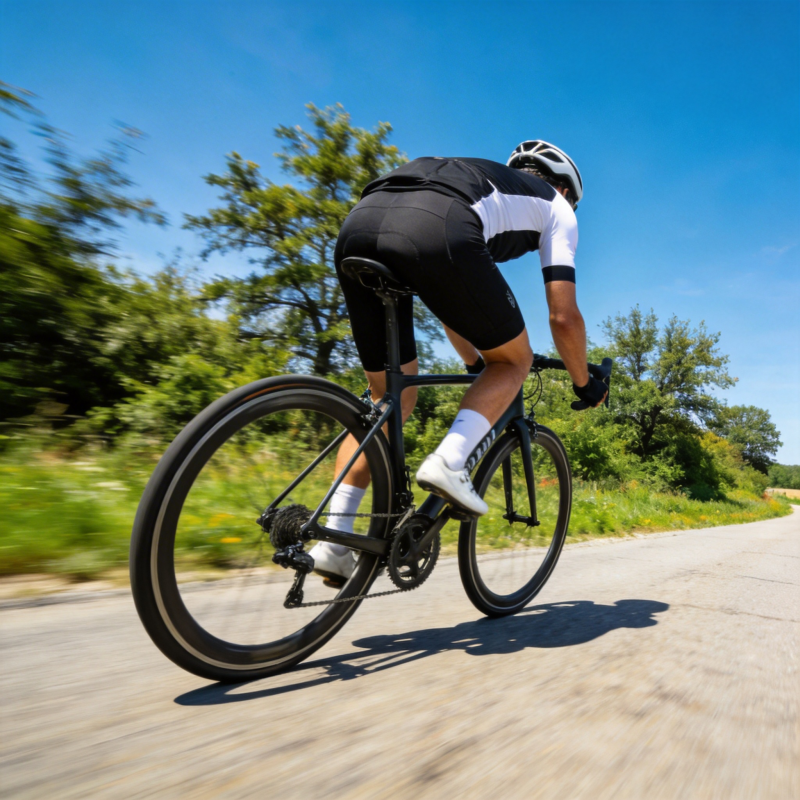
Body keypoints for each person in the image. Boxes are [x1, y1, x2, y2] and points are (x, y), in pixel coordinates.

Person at [309, 140, 607, 585]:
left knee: (388, 399)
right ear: (566, 189)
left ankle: (334, 541)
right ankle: (449, 462)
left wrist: (479, 369)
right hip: (439, 226)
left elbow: (455, 309)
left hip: (360, 222)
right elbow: (564, 317)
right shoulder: (558, 208)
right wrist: (585, 384)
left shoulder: (480, 178)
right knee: (515, 360)